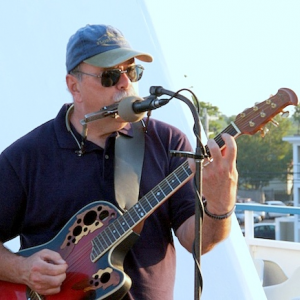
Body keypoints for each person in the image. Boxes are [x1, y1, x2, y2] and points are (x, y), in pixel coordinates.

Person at [0, 24, 238, 299]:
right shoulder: (28, 156)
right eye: (111, 76)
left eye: (132, 71)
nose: (125, 83)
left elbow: (197, 241)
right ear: (73, 86)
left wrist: (221, 202)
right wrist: (23, 270)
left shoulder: (169, 142)